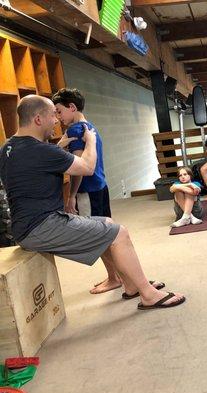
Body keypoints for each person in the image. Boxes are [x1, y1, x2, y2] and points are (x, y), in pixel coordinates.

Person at [0, 95, 185, 310]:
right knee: (120, 232)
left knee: (106, 223)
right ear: (38, 119)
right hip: (41, 226)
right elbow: (87, 167)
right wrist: (91, 140)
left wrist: (59, 148)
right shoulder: (41, 150)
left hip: (28, 225)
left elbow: (34, 167)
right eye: (53, 115)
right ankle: (148, 294)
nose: (56, 120)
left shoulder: (8, 148)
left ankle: (131, 285)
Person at [52, 88, 118, 295]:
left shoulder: (74, 131)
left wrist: (71, 196)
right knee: (106, 232)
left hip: (87, 190)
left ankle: (115, 278)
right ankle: (115, 275)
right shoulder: (89, 126)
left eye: (59, 111)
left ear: (72, 107)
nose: (57, 117)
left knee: (98, 235)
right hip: (100, 186)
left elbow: (79, 167)